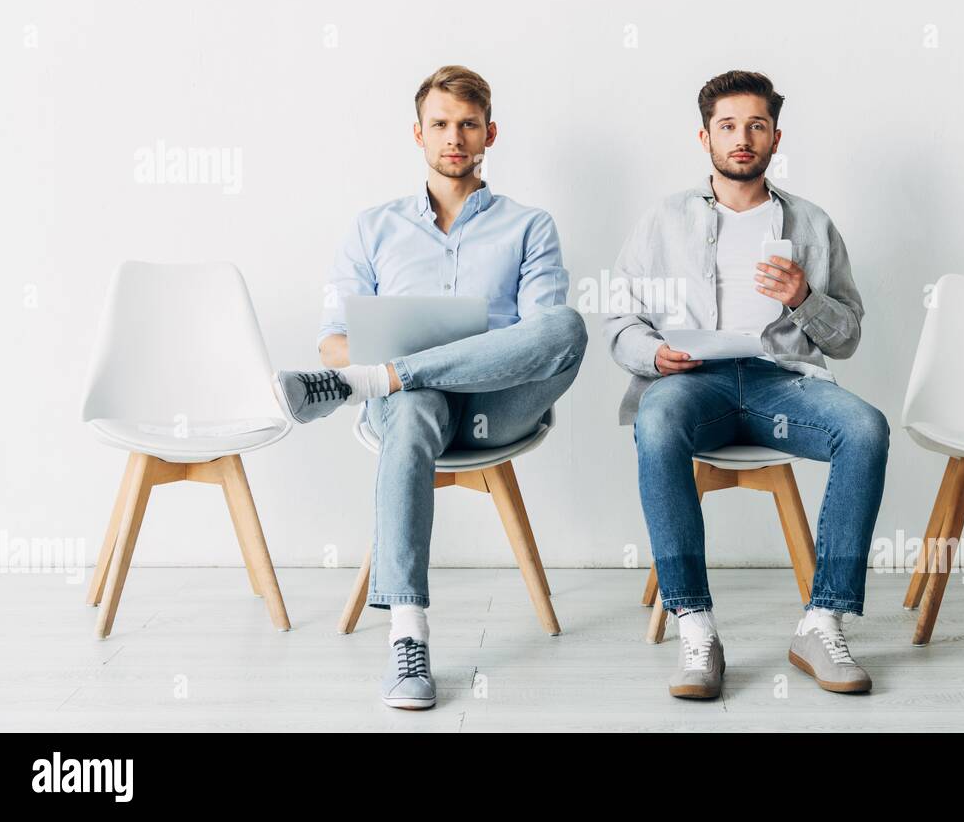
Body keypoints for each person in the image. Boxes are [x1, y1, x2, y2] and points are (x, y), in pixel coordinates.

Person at [272, 65, 587, 710]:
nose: (455, 137)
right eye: (441, 124)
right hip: (408, 413)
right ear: (417, 134)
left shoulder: (530, 226)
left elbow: (540, 341)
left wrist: (389, 368)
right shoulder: (373, 227)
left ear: (490, 133)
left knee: (566, 324)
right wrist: (387, 367)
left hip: (498, 408)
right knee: (415, 406)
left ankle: (383, 378)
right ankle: (407, 636)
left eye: (468, 124)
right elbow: (333, 340)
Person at [604, 70, 889, 700]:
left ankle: (823, 621)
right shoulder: (661, 221)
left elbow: (846, 337)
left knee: (866, 427)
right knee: (657, 420)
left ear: (775, 137)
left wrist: (805, 298)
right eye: (728, 126)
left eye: (755, 126)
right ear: (703, 136)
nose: (742, 138)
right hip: (692, 382)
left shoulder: (812, 225)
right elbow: (618, 319)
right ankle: (695, 626)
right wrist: (656, 355)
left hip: (778, 384)